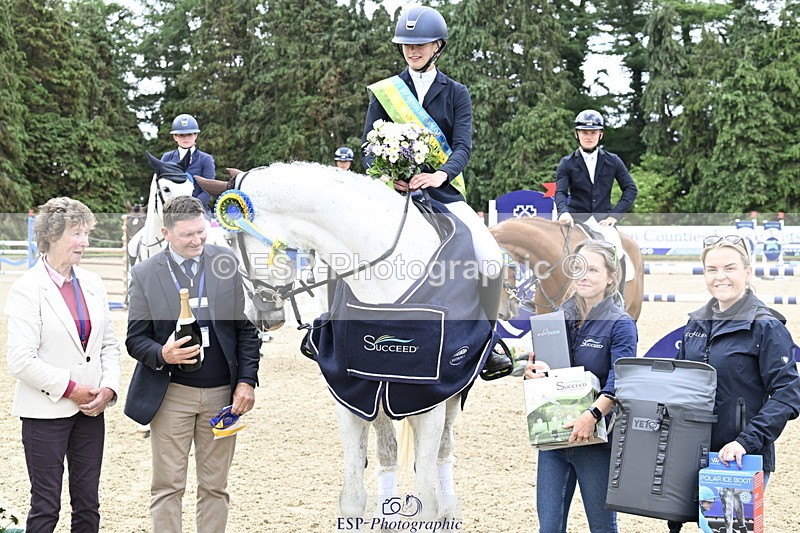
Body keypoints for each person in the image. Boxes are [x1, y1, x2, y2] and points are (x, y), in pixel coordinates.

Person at [362, 5, 510, 377]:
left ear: (437, 46)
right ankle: (329, 328)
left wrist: (440, 175)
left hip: (441, 192)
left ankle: (487, 342)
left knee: (490, 256)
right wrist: (388, 177)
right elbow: (368, 147)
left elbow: (462, 146)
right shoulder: (385, 92)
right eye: (407, 45)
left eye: (421, 44)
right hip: (393, 193)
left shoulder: (456, 92)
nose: (413, 51)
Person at [124, 195, 261, 533]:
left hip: (222, 396)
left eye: (201, 232)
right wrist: (163, 354)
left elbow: (246, 330)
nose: (197, 240)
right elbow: (135, 339)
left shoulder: (225, 263)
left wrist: (247, 381)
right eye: (188, 234)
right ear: (167, 233)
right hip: (171, 394)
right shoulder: (144, 274)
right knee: (168, 486)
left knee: (215, 486)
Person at [5, 197, 121, 533]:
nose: (85, 242)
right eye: (77, 234)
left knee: (88, 505)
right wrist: (72, 389)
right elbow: (21, 360)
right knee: (46, 507)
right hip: (44, 413)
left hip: (91, 411)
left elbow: (109, 345)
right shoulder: (27, 289)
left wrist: (108, 388)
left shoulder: (94, 283)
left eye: (87, 234)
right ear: (52, 235)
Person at [525, 240, 637, 533]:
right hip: (554, 438)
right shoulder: (557, 317)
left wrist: (592, 415)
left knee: (602, 528)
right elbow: (546, 369)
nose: (583, 275)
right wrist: (532, 373)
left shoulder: (621, 324)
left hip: (595, 440)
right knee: (549, 528)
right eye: (579, 268)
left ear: (611, 277)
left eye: (593, 270)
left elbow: (622, 379)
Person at [676, 235, 799, 481]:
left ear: (748, 272)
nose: (720, 276)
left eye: (729, 268)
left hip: (739, 457)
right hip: (691, 452)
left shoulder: (767, 327)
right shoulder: (695, 324)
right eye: (712, 269)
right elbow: (678, 384)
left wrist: (745, 441)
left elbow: (789, 393)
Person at [554, 110, 637, 272]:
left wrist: (615, 215)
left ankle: (618, 287)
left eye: (593, 132)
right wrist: (563, 212)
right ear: (577, 134)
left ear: (601, 134)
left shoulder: (613, 160)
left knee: (617, 249)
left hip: (602, 221)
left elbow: (630, 189)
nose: (589, 136)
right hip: (576, 219)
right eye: (584, 132)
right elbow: (560, 192)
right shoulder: (566, 163)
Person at [161, 113, 216, 214]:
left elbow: (208, 189)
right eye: (181, 135)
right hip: (172, 210)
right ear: (175, 137)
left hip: (199, 210)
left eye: (189, 134)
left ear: (196, 135)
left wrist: (192, 207)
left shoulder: (206, 159)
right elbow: (162, 186)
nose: (185, 138)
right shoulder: (167, 158)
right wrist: (173, 207)